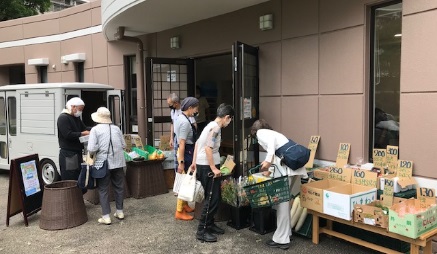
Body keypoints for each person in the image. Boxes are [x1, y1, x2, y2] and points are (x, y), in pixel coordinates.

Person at [250, 119, 307, 250]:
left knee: (281, 203)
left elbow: (271, 152)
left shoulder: (262, 133)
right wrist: (270, 170)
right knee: (285, 202)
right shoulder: (276, 134)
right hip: (294, 170)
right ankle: (286, 234)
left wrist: (267, 162)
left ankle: (281, 239)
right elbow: (278, 155)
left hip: (287, 171)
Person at [191, 103, 234, 242]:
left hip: (202, 164)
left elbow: (198, 143)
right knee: (212, 199)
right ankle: (201, 231)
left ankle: (210, 225)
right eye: (230, 119)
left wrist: (194, 161)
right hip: (207, 166)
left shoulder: (209, 125)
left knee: (213, 197)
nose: (230, 122)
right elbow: (209, 148)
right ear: (226, 117)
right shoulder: (215, 128)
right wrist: (213, 168)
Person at [87, 107, 126, 225]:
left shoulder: (95, 130)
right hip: (118, 162)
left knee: (103, 189)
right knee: (119, 187)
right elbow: (123, 145)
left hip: (103, 163)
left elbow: (91, 148)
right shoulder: (116, 128)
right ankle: (120, 212)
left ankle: (106, 216)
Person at [174, 97, 199, 220]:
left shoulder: (180, 118)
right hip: (186, 151)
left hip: (187, 150)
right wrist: (181, 162)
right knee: (184, 182)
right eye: (195, 108)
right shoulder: (184, 122)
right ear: (189, 108)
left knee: (186, 179)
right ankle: (179, 211)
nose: (196, 111)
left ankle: (185, 206)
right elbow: (182, 143)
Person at [57, 97, 90, 181]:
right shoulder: (63, 118)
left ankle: (78, 193)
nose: (80, 112)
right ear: (73, 107)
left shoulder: (76, 117)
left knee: (78, 176)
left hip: (77, 152)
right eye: (79, 109)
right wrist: (82, 133)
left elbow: (84, 128)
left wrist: (95, 129)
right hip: (68, 153)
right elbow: (67, 134)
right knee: (71, 177)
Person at [167, 93, 197, 174]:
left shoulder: (185, 113)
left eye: (170, 104)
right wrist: (171, 138)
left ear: (176, 103)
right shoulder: (174, 112)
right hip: (181, 139)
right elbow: (172, 124)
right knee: (179, 159)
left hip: (185, 137)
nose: (169, 106)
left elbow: (194, 124)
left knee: (181, 158)